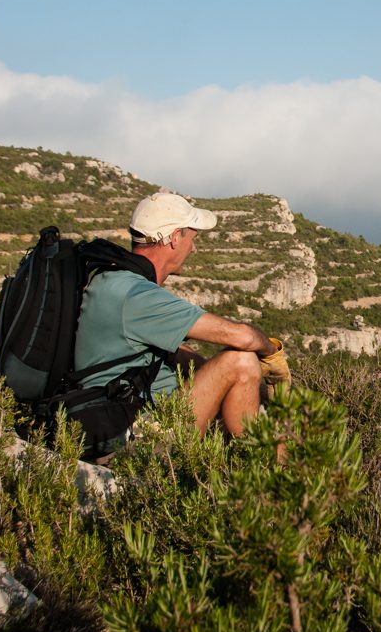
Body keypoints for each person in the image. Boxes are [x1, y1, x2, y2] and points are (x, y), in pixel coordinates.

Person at [73, 191, 290, 448]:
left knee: (239, 377)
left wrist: (242, 385)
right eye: (191, 238)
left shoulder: (112, 280)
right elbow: (241, 336)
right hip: (136, 432)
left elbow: (176, 354)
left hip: (124, 415)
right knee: (241, 361)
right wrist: (271, 352)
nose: (194, 248)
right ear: (175, 238)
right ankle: (264, 470)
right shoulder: (137, 295)